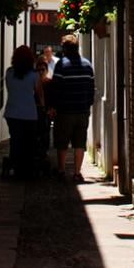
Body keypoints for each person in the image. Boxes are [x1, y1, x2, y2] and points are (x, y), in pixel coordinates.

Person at [48, 33, 94, 183]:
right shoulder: (88, 65)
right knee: (80, 143)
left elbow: (55, 88)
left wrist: (53, 106)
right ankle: (77, 172)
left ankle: (61, 170)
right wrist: (87, 105)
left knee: (62, 142)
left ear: (65, 49)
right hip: (82, 111)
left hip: (65, 111)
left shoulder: (61, 65)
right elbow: (91, 89)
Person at [4, 45, 41, 179]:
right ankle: (27, 168)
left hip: (12, 111)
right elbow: (39, 93)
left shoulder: (9, 73)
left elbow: (9, 89)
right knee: (29, 142)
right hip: (29, 113)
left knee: (15, 140)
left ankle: (15, 166)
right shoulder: (34, 75)